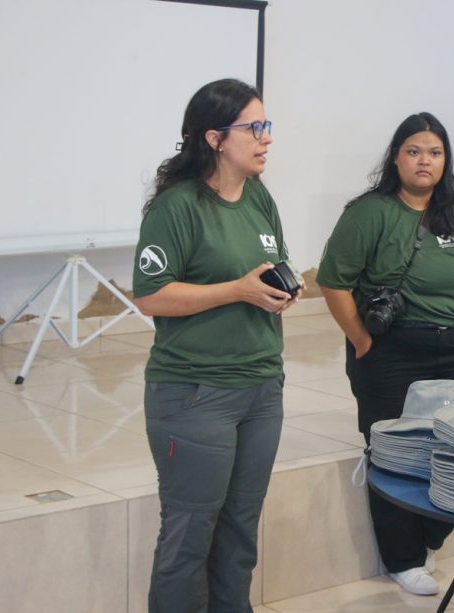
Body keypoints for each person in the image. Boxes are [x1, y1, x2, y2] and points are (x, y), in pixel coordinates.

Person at [132, 78, 299, 613]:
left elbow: (270, 268)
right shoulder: (177, 208)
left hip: (261, 389)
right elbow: (152, 297)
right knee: (189, 533)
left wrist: (275, 292)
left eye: (266, 126)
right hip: (195, 393)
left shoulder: (259, 198)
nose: (266, 138)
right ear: (214, 137)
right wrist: (238, 290)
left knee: (240, 529)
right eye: (254, 127)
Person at [316, 112, 454, 596]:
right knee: (395, 449)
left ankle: (432, 534)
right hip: (392, 348)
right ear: (395, 157)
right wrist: (361, 340)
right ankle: (402, 557)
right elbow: (332, 282)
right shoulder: (369, 212)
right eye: (414, 151)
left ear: (446, 161)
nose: (425, 161)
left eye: (435, 153)